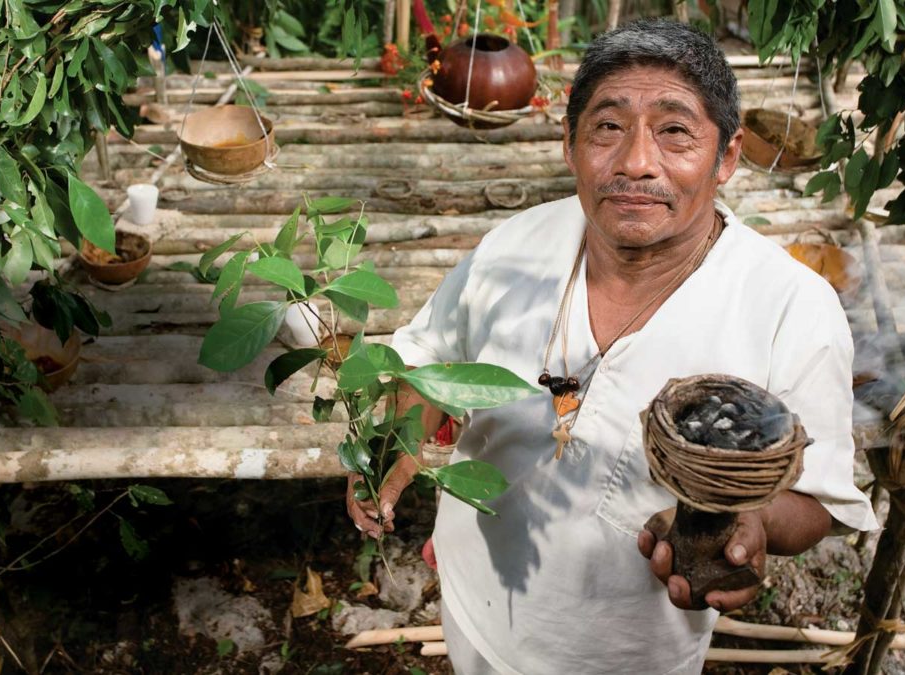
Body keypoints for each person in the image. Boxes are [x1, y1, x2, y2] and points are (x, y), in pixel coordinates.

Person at [346, 19, 878, 675]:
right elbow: (427, 359)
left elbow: (818, 501)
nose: (635, 161)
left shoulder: (792, 308)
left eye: (675, 130)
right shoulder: (512, 248)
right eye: (607, 127)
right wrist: (396, 449)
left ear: (728, 156)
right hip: (477, 608)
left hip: (634, 652)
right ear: (569, 144)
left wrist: (752, 519)